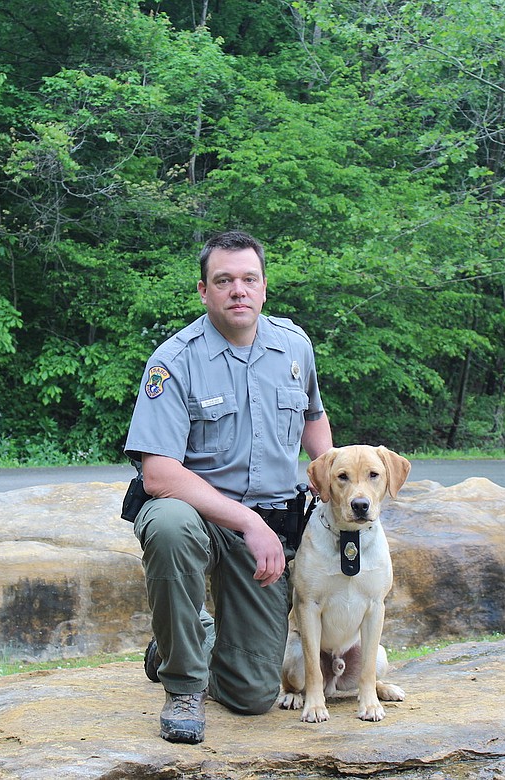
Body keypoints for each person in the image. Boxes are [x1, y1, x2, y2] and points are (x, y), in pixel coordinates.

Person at [123, 230, 333, 744]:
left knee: (253, 695)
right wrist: (246, 521)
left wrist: (335, 487)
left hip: (269, 524)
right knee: (169, 525)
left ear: (263, 288)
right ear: (203, 291)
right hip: (196, 513)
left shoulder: (294, 346)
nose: (237, 290)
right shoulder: (174, 360)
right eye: (224, 281)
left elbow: (313, 417)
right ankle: (182, 687)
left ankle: (188, 639)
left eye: (248, 279)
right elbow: (159, 474)